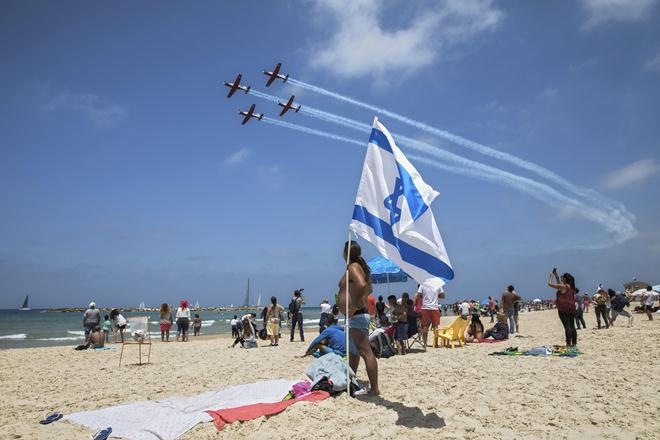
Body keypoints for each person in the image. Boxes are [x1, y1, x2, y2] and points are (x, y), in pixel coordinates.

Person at [337, 240, 379, 396]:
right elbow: (370, 288)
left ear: (345, 254)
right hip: (356, 315)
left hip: (357, 314)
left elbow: (362, 286)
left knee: (365, 351)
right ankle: (351, 382)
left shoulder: (353, 267)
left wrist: (354, 304)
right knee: (354, 352)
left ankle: (374, 389)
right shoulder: (360, 268)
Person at [548, 268, 577, 348]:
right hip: (571, 308)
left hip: (563, 309)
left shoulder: (564, 287)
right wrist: (556, 275)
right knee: (572, 326)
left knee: (567, 327)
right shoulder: (571, 287)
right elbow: (559, 285)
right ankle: (574, 344)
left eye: (562, 277)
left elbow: (550, 284)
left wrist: (550, 277)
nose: (561, 278)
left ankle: (568, 344)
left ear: (565, 279)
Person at [417, 281, 443, 347]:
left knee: (424, 326)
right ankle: (436, 343)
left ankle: (425, 344)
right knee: (435, 326)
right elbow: (443, 296)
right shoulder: (438, 284)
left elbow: (418, 296)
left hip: (425, 307)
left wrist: (425, 296)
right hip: (435, 308)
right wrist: (436, 294)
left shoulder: (422, 284)